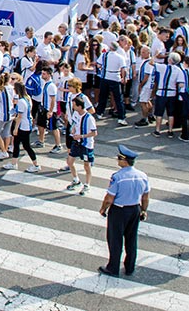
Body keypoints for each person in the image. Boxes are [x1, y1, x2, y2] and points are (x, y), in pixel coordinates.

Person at [98, 145, 150, 277]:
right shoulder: (142, 176)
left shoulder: (118, 176)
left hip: (119, 211)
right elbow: (145, 197)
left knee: (115, 240)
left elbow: (109, 198)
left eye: (119, 158)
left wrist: (103, 208)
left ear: (124, 160)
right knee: (131, 239)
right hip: (135, 209)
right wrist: (143, 211)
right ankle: (130, 267)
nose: (117, 161)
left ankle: (113, 267)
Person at [65, 95, 97, 196]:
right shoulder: (75, 114)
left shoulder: (89, 118)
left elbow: (94, 133)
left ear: (80, 106)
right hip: (76, 142)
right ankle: (76, 180)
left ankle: (87, 184)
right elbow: (74, 124)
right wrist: (73, 129)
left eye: (74, 105)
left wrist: (81, 136)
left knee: (86, 165)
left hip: (86, 144)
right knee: (70, 161)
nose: (73, 107)